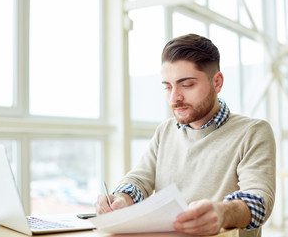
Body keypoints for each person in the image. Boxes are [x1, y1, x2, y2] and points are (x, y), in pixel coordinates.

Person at [95, 33, 276, 237]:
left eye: (187, 85)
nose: (175, 98)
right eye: (168, 87)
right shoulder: (165, 131)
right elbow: (139, 179)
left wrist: (223, 213)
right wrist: (121, 199)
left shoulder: (253, 132)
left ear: (217, 83)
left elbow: (259, 200)